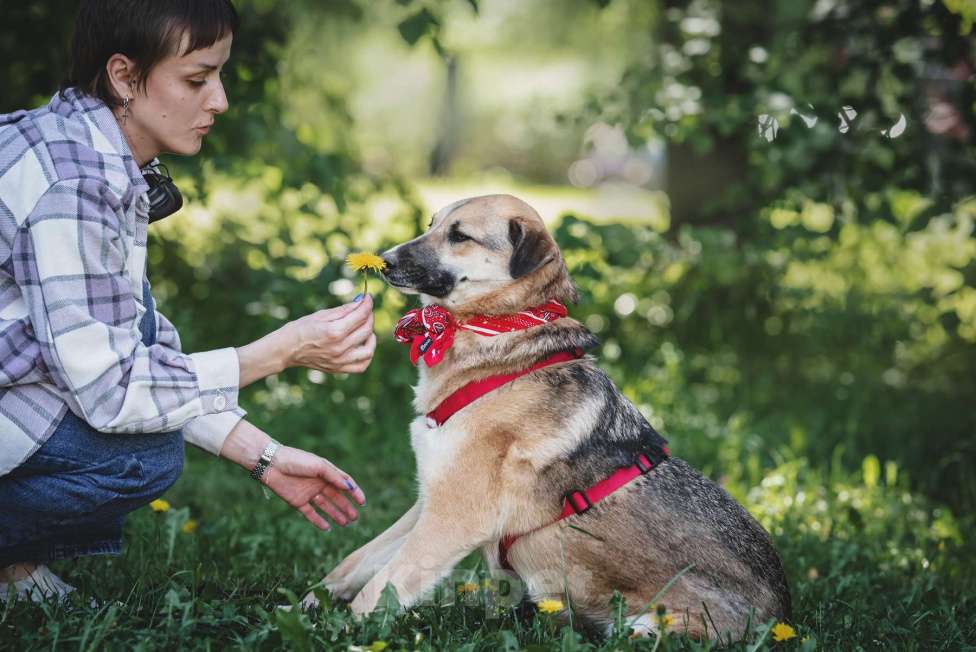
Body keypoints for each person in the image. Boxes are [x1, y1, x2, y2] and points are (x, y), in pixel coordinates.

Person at [0, 0, 376, 603]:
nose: (219, 101)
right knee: (140, 456)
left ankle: (12, 569)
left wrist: (264, 457)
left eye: (218, 76)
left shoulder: (74, 145)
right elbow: (113, 391)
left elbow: (128, 345)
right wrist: (278, 353)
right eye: (197, 79)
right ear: (124, 77)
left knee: (144, 331)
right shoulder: (74, 185)